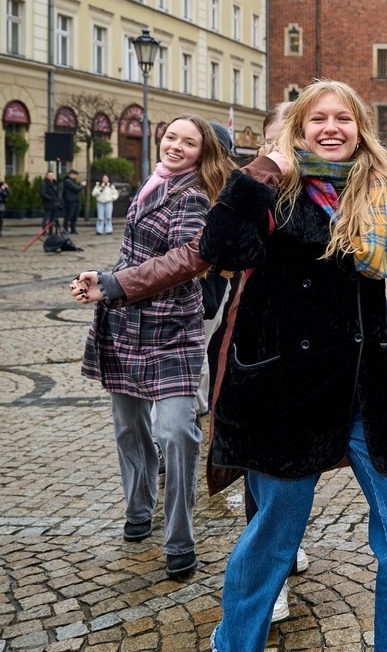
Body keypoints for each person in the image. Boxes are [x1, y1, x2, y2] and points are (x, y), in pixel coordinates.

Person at [190, 80, 387, 652]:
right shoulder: (272, 192)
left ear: (360, 130)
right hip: (285, 393)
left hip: (368, 388)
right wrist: (262, 172)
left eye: (343, 119)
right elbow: (221, 248)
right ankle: (234, 643)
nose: (331, 128)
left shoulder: (379, 192)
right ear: (298, 129)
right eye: (318, 119)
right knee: (273, 537)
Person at [76, 114, 234, 578]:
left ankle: (180, 538)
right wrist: (99, 279)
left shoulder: (195, 195)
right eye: (171, 137)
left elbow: (183, 261)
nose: (176, 146)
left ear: (203, 153)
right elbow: (135, 254)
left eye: (189, 142)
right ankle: (138, 508)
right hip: (124, 322)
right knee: (128, 427)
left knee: (176, 432)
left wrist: (114, 283)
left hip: (171, 328)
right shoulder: (153, 184)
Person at [62, 169, 86, 234]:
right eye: (75, 175)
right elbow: (75, 188)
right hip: (70, 201)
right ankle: (65, 230)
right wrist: (82, 185)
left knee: (74, 216)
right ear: (72, 174)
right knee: (68, 216)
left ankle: (73, 229)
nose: (76, 177)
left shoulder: (71, 181)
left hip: (75, 200)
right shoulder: (67, 181)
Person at [40, 170, 62, 235]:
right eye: (50, 175)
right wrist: (51, 198)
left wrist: (58, 197)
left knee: (52, 219)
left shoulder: (55, 183)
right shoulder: (44, 183)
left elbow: (58, 191)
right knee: (46, 218)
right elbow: (43, 194)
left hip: (55, 203)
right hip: (48, 203)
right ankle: (44, 231)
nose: (51, 177)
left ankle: (51, 231)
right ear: (47, 176)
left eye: (52, 175)